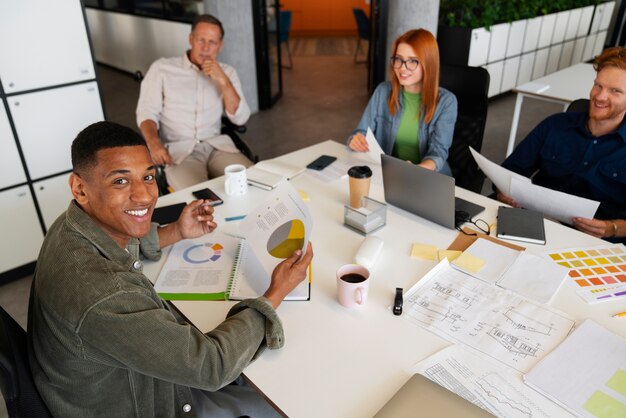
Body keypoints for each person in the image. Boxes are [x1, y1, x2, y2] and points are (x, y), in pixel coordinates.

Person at [27, 121, 314, 417]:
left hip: (114, 380)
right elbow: (211, 367)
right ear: (80, 188)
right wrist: (276, 293)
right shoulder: (104, 294)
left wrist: (177, 231)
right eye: (120, 181)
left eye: (148, 176)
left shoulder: (70, 225)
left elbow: (117, 238)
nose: (144, 195)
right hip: (142, 403)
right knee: (288, 405)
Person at [497, 47, 626, 242]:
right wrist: (504, 190)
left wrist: (612, 228)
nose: (600, 96)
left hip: (594, 241)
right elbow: (512, 169)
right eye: (598, 86)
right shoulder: (556, 125)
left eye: (615, 91)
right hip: (533, 224)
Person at [136, 14, 252, 191]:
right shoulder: (162, 68)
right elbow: (147, 111)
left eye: (212, 42)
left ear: (220, 46)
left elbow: (240, 118)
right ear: (191, 39)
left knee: (252, 182)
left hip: (218, 146)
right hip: (179, 152)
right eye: (201, 40)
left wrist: (223, 80)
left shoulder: (227, 72)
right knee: (201, 201)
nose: (206, 48)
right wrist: (153, 143)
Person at [347, 28, 457, 175]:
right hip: (388, 174)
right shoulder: (383, 91)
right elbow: (360, 132)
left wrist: (415, 171)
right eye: (398, 59)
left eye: (412, 61)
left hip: (427, 177)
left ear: (428, 64)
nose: (402, 68)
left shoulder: (446, 102)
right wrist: (355, 140)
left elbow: (438, 154)